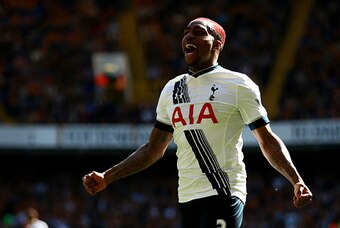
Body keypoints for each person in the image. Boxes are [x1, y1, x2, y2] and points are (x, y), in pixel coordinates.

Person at [82, 17, 313, 227]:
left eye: (199, 32)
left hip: (224, 192)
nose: (189, 37)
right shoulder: (172, 89)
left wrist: (296, 180)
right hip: (187, 197)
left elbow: (267, 141)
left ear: (217, 44)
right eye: (185, 33)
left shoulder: (238, 85)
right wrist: (107, 177)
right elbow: (153, 149)